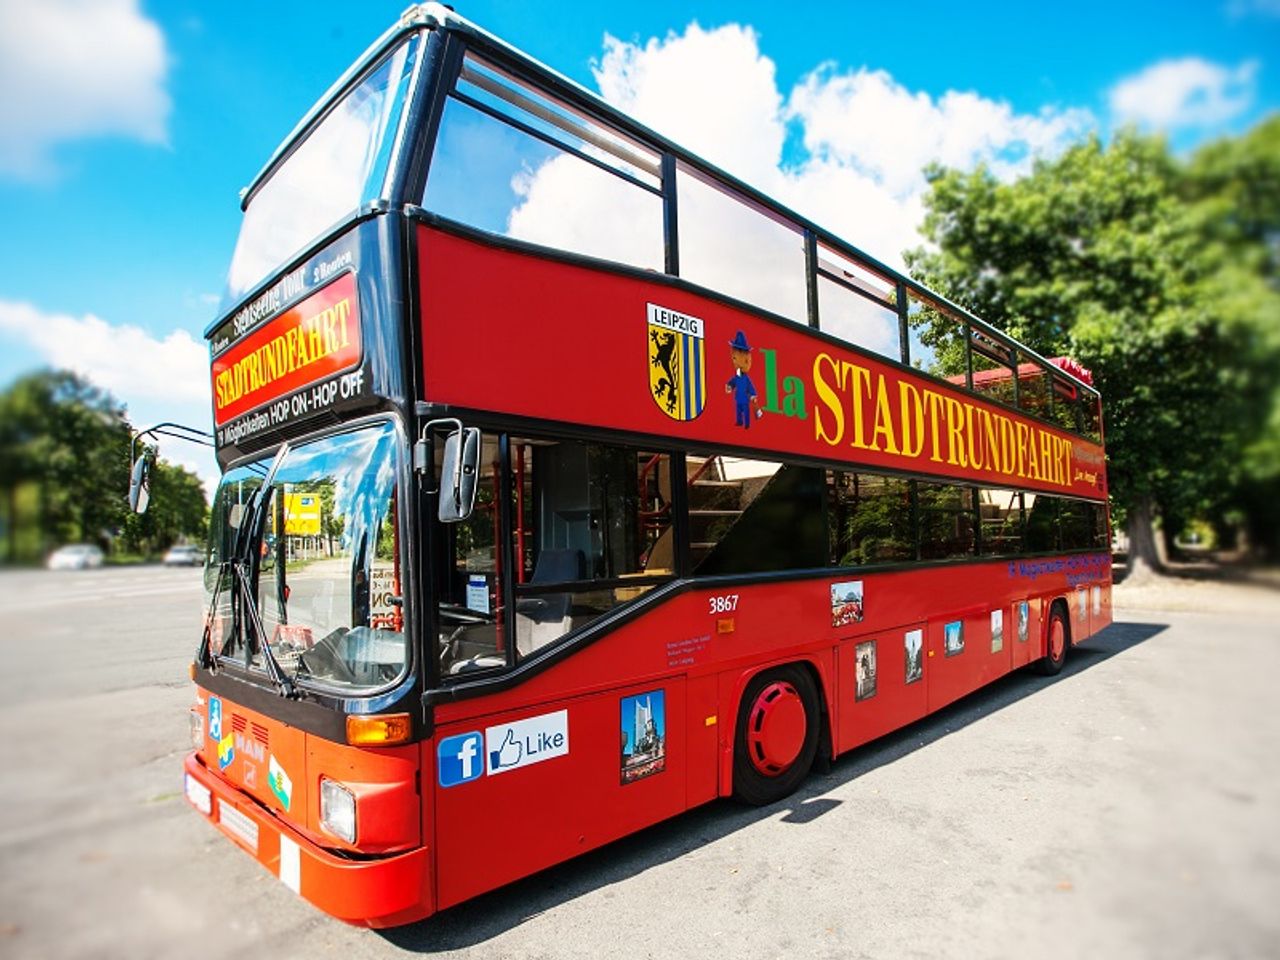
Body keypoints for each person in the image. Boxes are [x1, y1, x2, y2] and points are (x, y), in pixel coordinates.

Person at [725, 330, 760, 429]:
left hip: (745, 398)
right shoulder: (736, 376)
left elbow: (750, 387)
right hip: (738, 398)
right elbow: (732, 382)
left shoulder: (746, 378)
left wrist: (753, 395)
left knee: (746, 411)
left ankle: (747, 423)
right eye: (734, 358)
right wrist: (729, 386)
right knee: (738, 411)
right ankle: (739, 421)